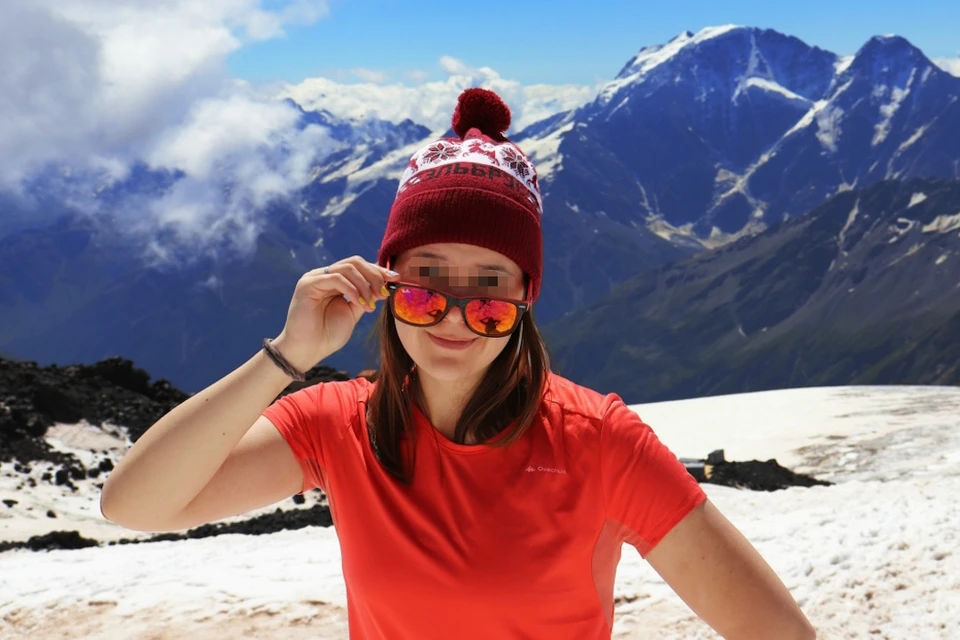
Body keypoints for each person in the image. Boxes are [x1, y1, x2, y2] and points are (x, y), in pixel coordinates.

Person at [100, 88, 816, 640]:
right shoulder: (337, 426)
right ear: (385, 283)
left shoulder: (600, 443)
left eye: (489, 292)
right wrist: (288, 356)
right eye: (426, 283)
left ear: (525, 299)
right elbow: (134, 505)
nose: (452, 315)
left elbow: (779, 633)